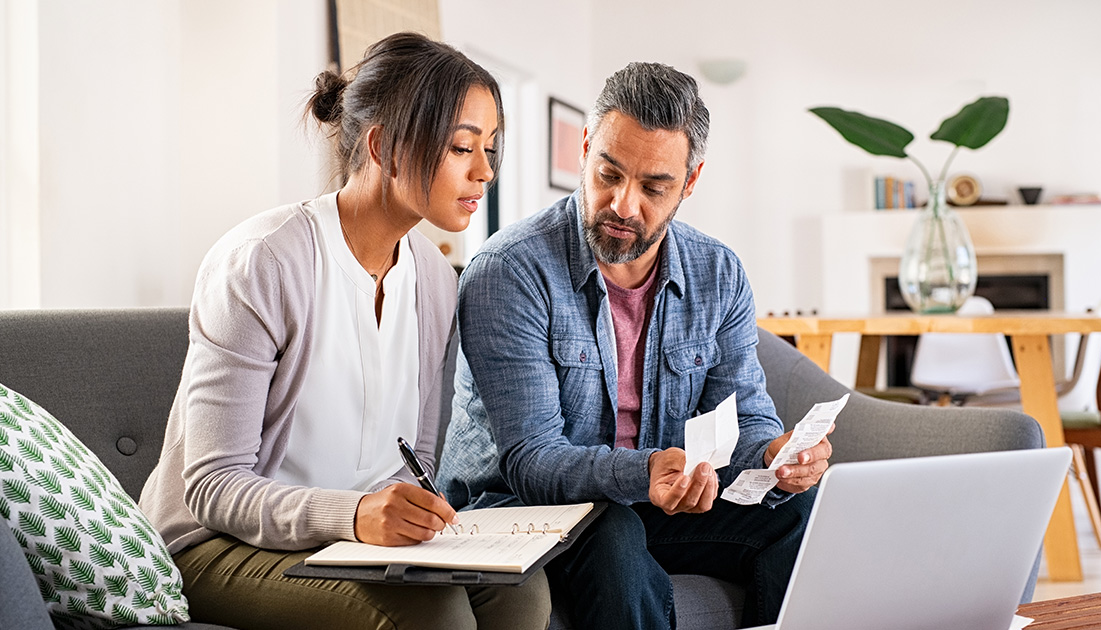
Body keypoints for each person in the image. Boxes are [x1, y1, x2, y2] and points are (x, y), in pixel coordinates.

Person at [139, 32, 551, 630]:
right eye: (463, 147)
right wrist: (354, 515)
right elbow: (212, 486)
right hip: (216, 546)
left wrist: (416, 518)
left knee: (523, 593)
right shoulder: (263, 263)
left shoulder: (437, 280)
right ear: (382, 145)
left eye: (490, 148)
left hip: (355, 544)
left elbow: (418, 458)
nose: (484, 171)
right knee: (434, 616)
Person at [438, 62, 833, 630]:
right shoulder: (510, 271)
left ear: (690, 183)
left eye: (654, 188)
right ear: (585, 149)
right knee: (614, 531)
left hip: (651, 499)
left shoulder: (717, 272)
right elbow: (531, 462)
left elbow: (744, 416)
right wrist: (645, 471)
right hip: (516, 510)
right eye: (609, 174)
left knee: (795, 513)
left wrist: (774, 458)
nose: (624, 205)